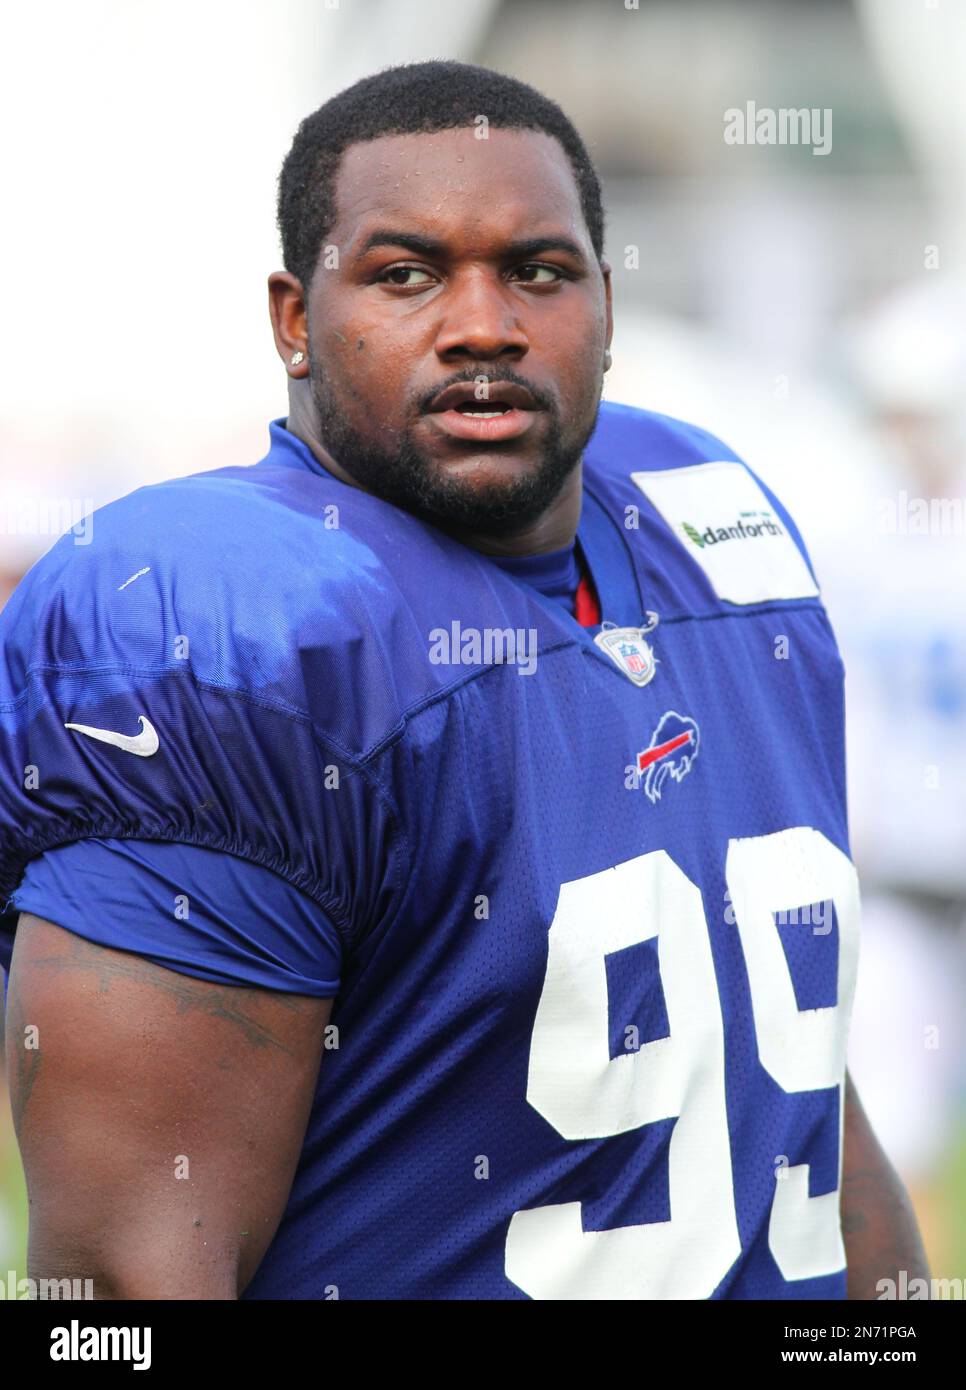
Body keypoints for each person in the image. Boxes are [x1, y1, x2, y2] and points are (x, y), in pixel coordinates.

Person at [0, 60, 927, 1300]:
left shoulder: (718, 535)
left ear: (607, 304)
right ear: (294, 320)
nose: (483, 323)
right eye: (407, 273)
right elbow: (126, 1287)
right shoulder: (225, 630)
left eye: (538, 271)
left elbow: (787, 1087)